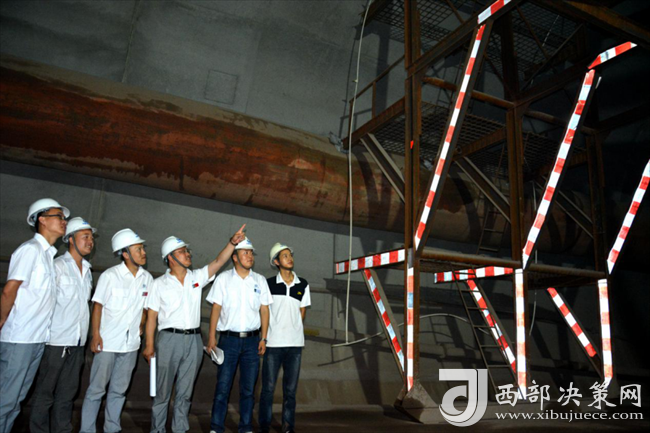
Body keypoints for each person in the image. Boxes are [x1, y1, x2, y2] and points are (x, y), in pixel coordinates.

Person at [142, 224, 246, 433]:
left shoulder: (196, 277)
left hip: (194, 341)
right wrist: (149, 345)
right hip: (168, 340)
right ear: (170, 257)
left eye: (187, 251)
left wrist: (232, 243)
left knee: (185, 392)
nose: (188, 254)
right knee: (162, 392)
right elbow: (151, 317)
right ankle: (157, 429)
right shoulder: (159, 283)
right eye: (182, 251)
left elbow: (218, 262)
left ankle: (180, 429)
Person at [0, 198, 69, 433]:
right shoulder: (30, 250)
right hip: (20, 338)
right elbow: (10, 289)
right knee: (6, 399)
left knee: (16, 401)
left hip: (36, 339)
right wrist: (2, 320)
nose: (64, 221)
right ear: (42, 219)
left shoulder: (48, 256)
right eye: (58, 216)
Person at [80, 228, 153, 433]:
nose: (143, 253)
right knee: (96, 390)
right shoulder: (110, 276)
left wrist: (142, 322)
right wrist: (95, 335)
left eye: (142, 249)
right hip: (108, 342)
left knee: (119, 391)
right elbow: (98, 306)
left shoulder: (147, 278)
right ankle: (87, 430)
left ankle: (112, 428)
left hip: (131, 345)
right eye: (138, 249)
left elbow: (146, 307)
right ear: (125, 254)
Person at [30, 218, 96, 433]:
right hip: (55, 342)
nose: (90, 241)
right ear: (70, 239)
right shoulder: (57, 266)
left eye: (91, 237)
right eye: (85, 236)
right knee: (45, 393)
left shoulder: (87, 270)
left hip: (77, 343)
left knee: (67, 394)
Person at [206, 237, 273, 433]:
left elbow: (264, 310)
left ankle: (245, 427)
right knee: (223, 387)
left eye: (251, 253)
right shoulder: (223, 279)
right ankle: (216, 427)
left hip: (252, 342)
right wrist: (212, 337)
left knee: (249, 390)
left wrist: (264, 338)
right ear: (235, 257)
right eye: (245, 253)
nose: (250, 256)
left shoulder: (259, 280)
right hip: (228, 341)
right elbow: (216, 309)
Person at [259, 243, 311, 433]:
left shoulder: (303, 284)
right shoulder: (268, 284)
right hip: (273, 344)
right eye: (285, 256)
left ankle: (288, 428)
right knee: (268, 389)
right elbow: (264, 311)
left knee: (290, 391)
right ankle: (264, 427)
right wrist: (264, 338)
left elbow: (302, 311)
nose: (290, 258)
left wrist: (293, 329)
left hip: (295, 346)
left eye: (291, 255)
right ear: (276, 262)